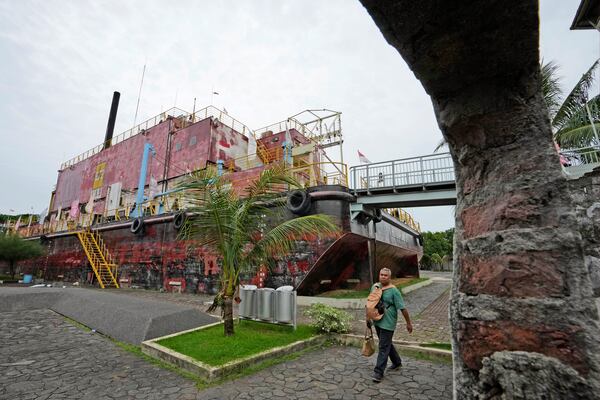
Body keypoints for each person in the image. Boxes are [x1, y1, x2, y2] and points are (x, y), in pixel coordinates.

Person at [369, 267, 413, 383]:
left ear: (390, 277)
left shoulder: (394, 291)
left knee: (383, 346)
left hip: (388, 322)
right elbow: (370, 304)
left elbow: (402, 308)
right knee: (386, 343)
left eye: (385, 275)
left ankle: (378, 372)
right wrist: (368, 319)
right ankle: (397, 362)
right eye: (381, 274)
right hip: (377, 320)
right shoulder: (375, 287)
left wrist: (408, 323)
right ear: (379, 275)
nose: (383, 277)